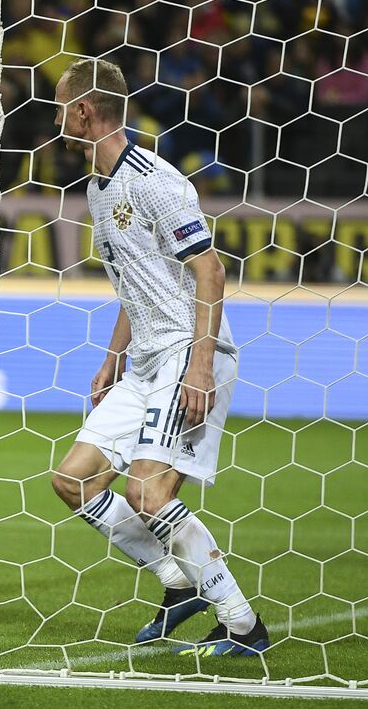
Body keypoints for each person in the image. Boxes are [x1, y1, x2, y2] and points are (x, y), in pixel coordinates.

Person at [48, 58, 267, 657]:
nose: (57, 117)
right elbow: (134, 282)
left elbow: (211, 270)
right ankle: (178, 582)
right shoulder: (97, 189)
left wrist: (199, 366)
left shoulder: (154, 179)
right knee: (74, 479)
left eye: (61, 105)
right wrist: (111, 356)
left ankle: (243, 624)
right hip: (144, 359)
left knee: (149, 493)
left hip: (186, 353)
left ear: (84, 111)